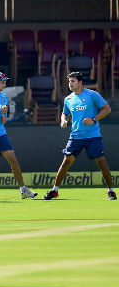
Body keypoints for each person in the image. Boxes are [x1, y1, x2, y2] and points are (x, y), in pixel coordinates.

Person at [43, 72, 116, 200]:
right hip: (75, 137)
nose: (70, 84)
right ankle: (55, 190)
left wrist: (94, 119)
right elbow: (65, 113)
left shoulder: (92, 95)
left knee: (101, 162)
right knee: (66, 162)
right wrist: (63, 120)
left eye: (73, 81)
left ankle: (111, 191)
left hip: (93, 136)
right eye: (69, 81)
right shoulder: (68, 99)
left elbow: (107, 109)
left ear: (80, 82)